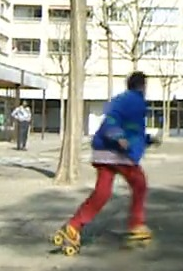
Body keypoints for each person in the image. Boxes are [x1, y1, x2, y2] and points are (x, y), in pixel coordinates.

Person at [51, 71, 158, 256]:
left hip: (102, 153)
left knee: (102, 193)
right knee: (139, 184)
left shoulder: (126, 99)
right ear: (142, 86)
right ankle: (136, 225)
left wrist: (147, 140)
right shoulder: (133, 99)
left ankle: (74, 226)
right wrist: (119, 137)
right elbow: (111, 120)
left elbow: (133, 130)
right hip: (116, 152)